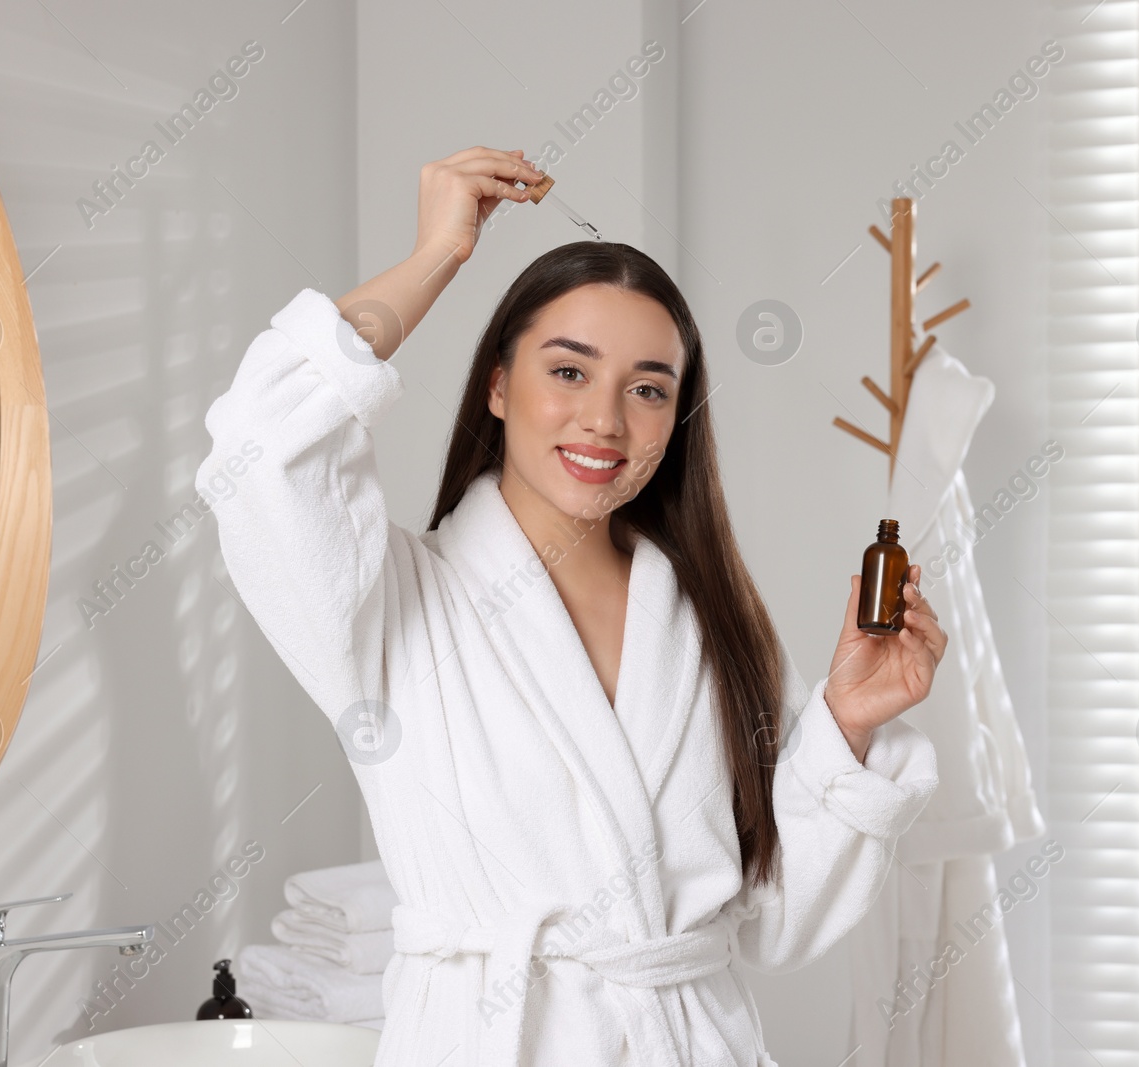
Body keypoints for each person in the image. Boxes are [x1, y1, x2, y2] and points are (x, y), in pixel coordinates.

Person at [197, 145, 948, 1067]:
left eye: (647, 389)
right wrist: (438, 254)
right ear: (498, 385)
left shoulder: (713, 624)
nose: (606, 420)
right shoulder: (390, 610)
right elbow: (263, 446)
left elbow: (779, 922)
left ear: (675, 423)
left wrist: (849, 722)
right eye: (567, 371)